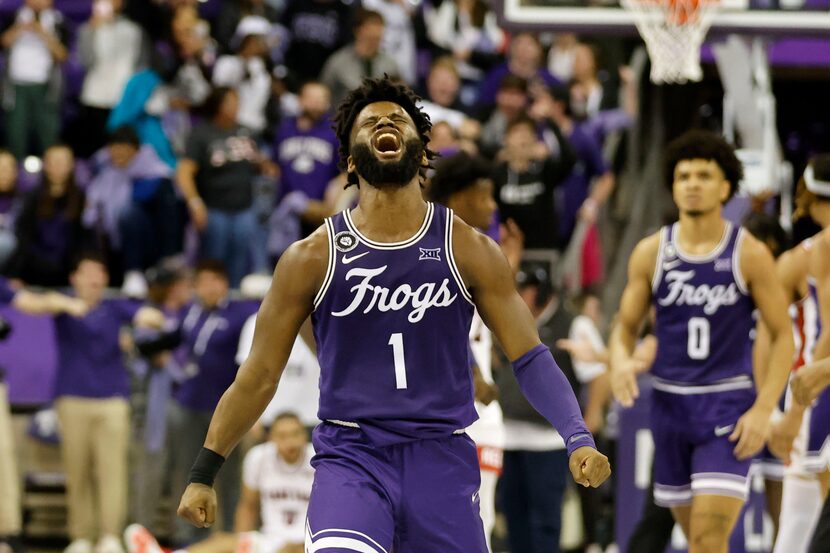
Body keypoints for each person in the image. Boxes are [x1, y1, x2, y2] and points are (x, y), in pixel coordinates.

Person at [176, 76, 610, 552]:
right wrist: (204, 471)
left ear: (423, 153)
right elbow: (258, 375)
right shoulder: (310, 258)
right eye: (370, 121)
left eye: (399, 119)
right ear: (349, 159)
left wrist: (578, 437)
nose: (385, 122)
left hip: (442, 458)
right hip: (352, 457)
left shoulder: (469, 248)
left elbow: (529, 356)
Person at [608, 130, 794, 553]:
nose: (692, 183)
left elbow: (783, 335)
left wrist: (764, 408)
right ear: (672, 186)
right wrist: (619, 361)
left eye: (704, 175)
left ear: (726, 186)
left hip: (726, 407)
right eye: (684, 175)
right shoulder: (651, 252)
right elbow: (624, 326)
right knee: (698, 542)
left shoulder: (748, 253)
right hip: (669, 409)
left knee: (710, 540)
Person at [13, 252, 164, 553]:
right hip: (72, 398)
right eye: (88, 273)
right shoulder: (63, 306)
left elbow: (152, 317)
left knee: (111, 471)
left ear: (106, 279)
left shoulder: (114, 307)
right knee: (77, 469)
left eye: (100, 273)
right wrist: (68, 304)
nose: (95, 279)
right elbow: (33, 303)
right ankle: (81, 535)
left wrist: (145, 322)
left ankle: (109, 535)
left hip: (112, 401)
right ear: (75, 278)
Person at [427, 152, 503, 551]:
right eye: (486, 197)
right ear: (459, 198)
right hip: (439, 410)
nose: (493, 207)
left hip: (479, 416)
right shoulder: (431, 251)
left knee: (479, 521)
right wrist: (474, 372)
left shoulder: (485, 251)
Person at [751, 170, 830, 553]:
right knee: (799, 518)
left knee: (799, 521)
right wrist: (771, 408)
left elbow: (768, 337)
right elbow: (769, 336)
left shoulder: (804, 257)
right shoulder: (803, 259)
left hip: (811, 389)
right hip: (811, 389)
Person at [126, 412, 313, 553]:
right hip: (270, 539)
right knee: (223, 540)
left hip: (309, 543)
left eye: (295, 434)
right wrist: (242, 541)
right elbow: (248, 506)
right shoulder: (258, 458)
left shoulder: (318, 459)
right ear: (271, 438)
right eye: (283, 436)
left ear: (304, 436)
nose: (290, 442)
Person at [168, 260, 260, 545]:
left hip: (225, 410)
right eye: (203, 282)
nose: (208, 288)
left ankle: (231, 537)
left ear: (224, 284)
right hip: (189, 404)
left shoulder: (240, 314)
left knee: (229, 477)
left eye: (214, 281)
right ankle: (189, 539)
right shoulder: (189, 313)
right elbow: (173, 339)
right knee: (188, 472)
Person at [177, 87, 270, 287]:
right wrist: (194, 203)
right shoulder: (202, 133)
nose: (235, 107)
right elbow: (184, 171)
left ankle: (234, 298)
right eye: (230, 102)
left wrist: (264, 165)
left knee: (241, 256)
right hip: (214, 207)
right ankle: (210, 295)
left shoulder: (246, 131)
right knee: (214, 257)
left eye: (237, 102)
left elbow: (259, 163)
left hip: (245, 206)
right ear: (217, 105)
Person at [6, 145, 89, 287]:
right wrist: (15, 274)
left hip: (68, 270)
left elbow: (85, 238)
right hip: (33, 268)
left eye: (62, 161)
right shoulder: (32, 197)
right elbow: (23, 237)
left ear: (71, 165)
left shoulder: (81, 198)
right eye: (53, 161)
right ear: (45, 164)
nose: (57, 166)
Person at [75, 0, 146, 157]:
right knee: (95, 147)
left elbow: (141, 65)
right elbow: (85, 61)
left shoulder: (133, 29)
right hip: (95, 96)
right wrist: (92, 31)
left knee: (123, 147)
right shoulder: (88, 29)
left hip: (124, 98)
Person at [0, 0, 68, 159]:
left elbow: (63, 55)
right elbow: (3, 42)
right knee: (16, 134)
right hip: (16, 86)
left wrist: (42, 32)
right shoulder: (15, 16)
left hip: (45, 87)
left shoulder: (58, 20)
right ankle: (13, 175)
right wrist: (21, 27)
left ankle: (51, 171)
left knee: (48, 135)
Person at [319, 9, 399, 106]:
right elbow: (323, 94)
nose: (373, 42)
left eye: (377, 39)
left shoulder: (389, 64)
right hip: (345, 117)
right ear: (357, 31)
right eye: (370, 37)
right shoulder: (338, 62)